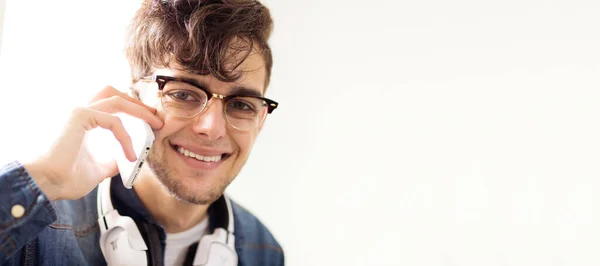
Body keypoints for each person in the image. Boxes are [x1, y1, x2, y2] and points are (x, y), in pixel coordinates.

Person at [0, 0, 283, 265]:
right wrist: (44, 179)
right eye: (183, 94)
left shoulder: (265, 250)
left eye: (241, 104)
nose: (211, 128)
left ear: (260, 121)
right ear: (133, 98)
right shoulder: (35, 231)